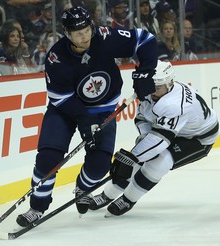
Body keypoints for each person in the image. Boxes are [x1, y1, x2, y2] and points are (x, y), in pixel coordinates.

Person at [15, 6, 157, 227]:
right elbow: (61, 99)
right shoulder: (56, 58)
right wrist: (84, 120)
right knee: (48, 159)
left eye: (87, 30)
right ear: (67, 34)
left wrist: (145, 72)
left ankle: (82, 187)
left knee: (100, 165)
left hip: (103, 109)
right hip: (65, 111)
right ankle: (37, 207)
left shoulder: (104, 36)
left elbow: (145, 40)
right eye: (78, 33)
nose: (85, 36)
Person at [89, 60, 219, 216]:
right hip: (172, 131)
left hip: (198, 138)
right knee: (135, 161)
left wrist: (134, 157)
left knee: (158, 163)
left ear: (170, 83)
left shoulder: (174, 104)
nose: (152, 91)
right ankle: (107, 195)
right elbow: (142, 118)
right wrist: (143, 139)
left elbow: (160, 140)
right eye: (151, 86)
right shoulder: (151, 90)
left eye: (157, 88)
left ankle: (129, 199)